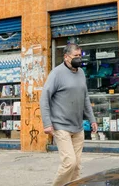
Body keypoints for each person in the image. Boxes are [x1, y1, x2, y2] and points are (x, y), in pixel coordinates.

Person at [40, 43, 98, 186]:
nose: (79, 59)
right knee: (69, 163)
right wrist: (47, 123)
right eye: (76, 56)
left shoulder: (81, 73)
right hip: (61, 126)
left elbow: (85, 97)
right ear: (66, 57)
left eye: (80, 56)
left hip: (78, 127)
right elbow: (44, 98)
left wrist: (92, 119)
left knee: (77, 166)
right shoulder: (56, 73)